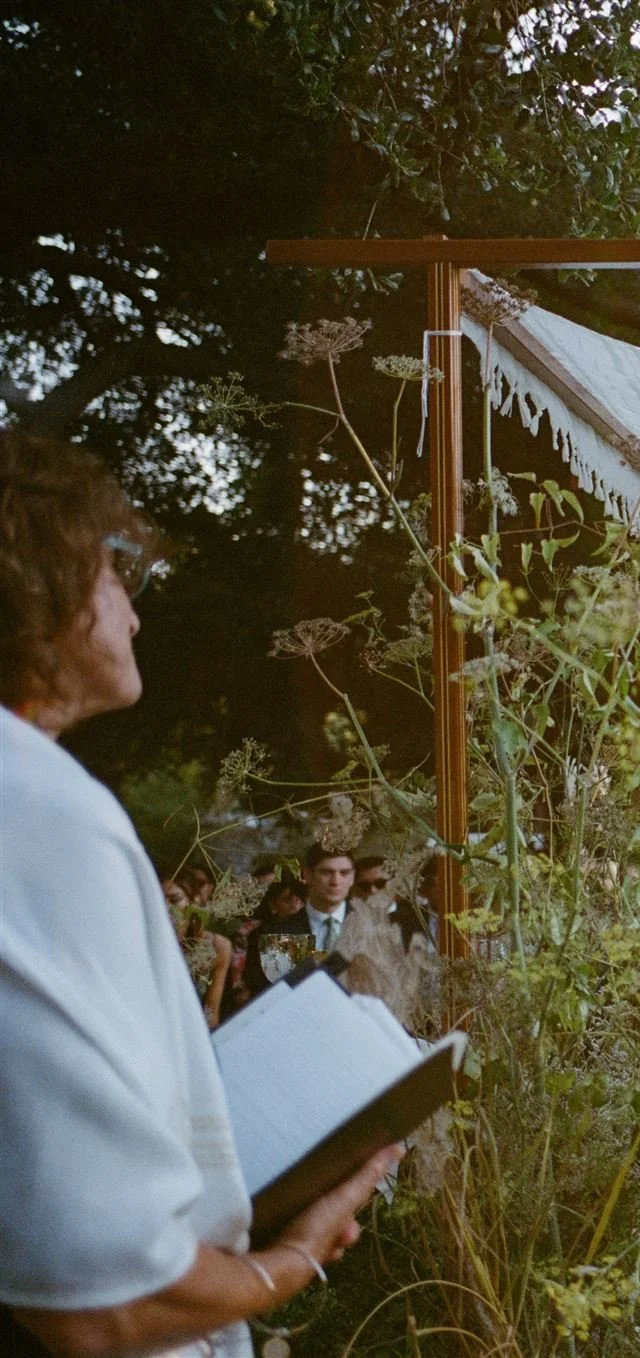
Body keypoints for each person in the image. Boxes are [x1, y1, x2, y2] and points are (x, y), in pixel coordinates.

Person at [0, 429, 397, 1357]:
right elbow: (106, 1300)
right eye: (116, 574)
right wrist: (292, 1258)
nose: (136, 618)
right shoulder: (46, 813)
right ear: (42, 580)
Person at [244, 847, 354, 1000]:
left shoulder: (375, 929)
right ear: (308, 875)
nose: (335, 882)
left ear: (352, 877)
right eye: (326, 872)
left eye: (344, 873)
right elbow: (268, 999)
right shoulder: (274, 933)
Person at [164, 875, 232, 1029]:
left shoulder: (216, 946)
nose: (166, 908)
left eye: (174, 900)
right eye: (159, 902)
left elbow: (211, 1012)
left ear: (193, 902)